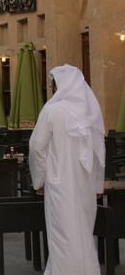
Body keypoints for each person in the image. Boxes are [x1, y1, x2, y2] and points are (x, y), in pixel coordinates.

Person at [29, 65, 105, 275]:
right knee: (83, 232)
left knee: (62, 234)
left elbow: (36, 147)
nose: (52, 88)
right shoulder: (91, 112)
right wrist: (98, 183)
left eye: (53, 84)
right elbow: (100, 151)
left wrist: (40, 179)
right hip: (86, 184)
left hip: (59, 183)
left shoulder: (52, 110)